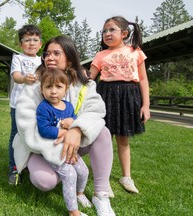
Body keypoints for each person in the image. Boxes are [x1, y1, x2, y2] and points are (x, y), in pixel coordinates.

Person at [13, 35, 116, 216]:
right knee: (45, 181)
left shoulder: (84, 84)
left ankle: (101, 195)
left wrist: (76, 129)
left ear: (69, 58)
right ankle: (57, 170)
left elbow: (96, 109)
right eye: (47, 54)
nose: (49, 57)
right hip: (42, 145)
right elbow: (26, 125)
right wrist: (60, 149)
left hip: (74, 141)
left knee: (103, 132)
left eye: (56, 53)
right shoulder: (35, 84)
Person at [89, 16, 150, 194]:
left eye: (111, 30)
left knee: (123, 138)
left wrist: (145, 105)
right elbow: (89, 78)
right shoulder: (100, 55)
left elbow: (144, 79)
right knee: (103, 138)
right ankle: (103, 178)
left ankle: (126, 177)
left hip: (128, 97)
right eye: (104, 31)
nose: (107, 34)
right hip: (105, 96)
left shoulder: (136, 52)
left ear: (124, 33)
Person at [36, 68, 91, 216]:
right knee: (70, 174)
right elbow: (44, 130)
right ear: (42, 89)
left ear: (66, 89)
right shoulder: (43, 108)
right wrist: (66, 132)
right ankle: (73, 211)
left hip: (69, 150)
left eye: (58, 87)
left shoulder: (69, 106)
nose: (53, 91)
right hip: (53, 151)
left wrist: (72, 122)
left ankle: (79, 193)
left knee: (83, 171)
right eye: (48, 87)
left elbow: (75, 122)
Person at [8, 24, 42, 185]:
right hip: (18, 106)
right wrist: (24, 79)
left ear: (40, 44)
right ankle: (14, 169)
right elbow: (16, 76)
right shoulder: (18, 58)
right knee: (16, 136)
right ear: (21, 44)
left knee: (33, 136)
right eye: (27, 40)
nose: (31, 43)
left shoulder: (42, 60)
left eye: (35, 40)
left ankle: (29, 165)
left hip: (36, 105)